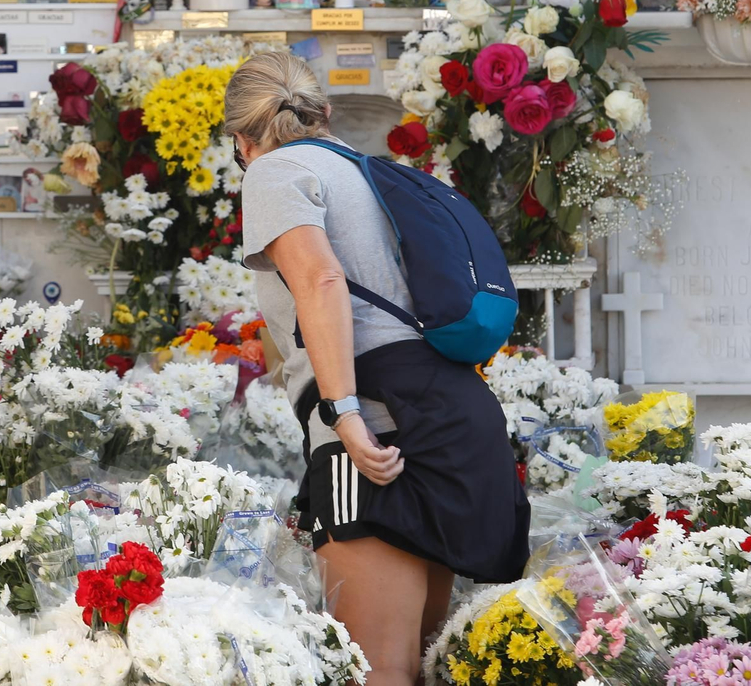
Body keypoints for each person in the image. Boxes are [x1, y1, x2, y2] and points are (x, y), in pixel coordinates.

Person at [226, 53, 528, 686]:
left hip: (379, 424)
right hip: (452, 410)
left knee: (379, 672)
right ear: (325, 113)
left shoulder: (274, 171)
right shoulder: (371, 172)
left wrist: (344, 413)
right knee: (422, 666)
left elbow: (321, 278)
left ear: (240, 139)